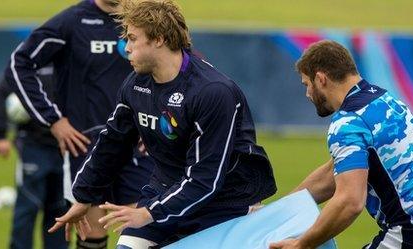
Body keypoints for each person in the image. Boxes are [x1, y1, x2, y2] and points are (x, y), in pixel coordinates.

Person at [48, 0, 276, 248]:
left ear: (159, 39)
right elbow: (112, 143)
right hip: (165, 191)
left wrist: (148, 213)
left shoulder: (213, 92)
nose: (126, 48)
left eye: (133, 39)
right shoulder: (135, 84)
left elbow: (205, 178)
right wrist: (84, 197)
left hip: (223, 204)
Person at [270, 40, 413, 249]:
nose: (307, 94)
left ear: (321, 79)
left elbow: (349, 202)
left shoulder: (348, 122)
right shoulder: (386, 100)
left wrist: (301, 245)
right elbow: (332, 174)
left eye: (307, 84)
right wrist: (278, 211)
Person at [4, 0, 154, 248]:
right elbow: (18, 64)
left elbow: (168, 68)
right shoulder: (72, 21)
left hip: (137, 144)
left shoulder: (143, 20)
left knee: (146, 229)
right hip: (86, 145)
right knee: (92, 234)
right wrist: (53, 120)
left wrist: (154, 120)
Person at [0, 67, 69, 249]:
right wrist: (0, 135)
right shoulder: (27, 59)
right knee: (28, 205)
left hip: (65, 146)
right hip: (33, 144)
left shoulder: (69, 57)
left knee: (60, 208)